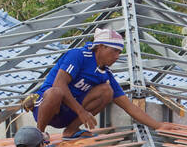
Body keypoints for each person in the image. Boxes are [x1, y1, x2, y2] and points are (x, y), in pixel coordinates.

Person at [33, 28, 168, 140]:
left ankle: (71, 131)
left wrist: (159, 126)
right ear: (101, 47)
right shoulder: (78, 56)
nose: (117, 56)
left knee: (106, 91)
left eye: (119, 52)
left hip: (68, 114)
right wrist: (81, 112)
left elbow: (130, 107)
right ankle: (38, 135)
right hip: (47, 108)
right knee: (55, 92)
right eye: (114, 51)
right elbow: (59, 84)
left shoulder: (105, 75)